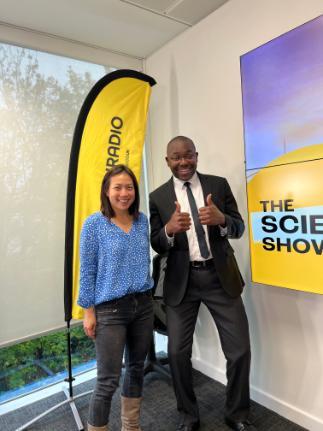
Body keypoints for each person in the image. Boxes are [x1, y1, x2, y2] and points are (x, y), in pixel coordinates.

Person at [149, 136, 256, 431]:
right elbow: (157, 242)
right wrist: (169, 231)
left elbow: (238, 227)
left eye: (188, 156)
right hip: (181, 282)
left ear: (196, 155)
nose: (183, 162)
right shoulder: (157, 196)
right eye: (176, 157)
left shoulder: (218, 185)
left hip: (220, 277)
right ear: (167, 160)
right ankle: (188, 415)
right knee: (177, 354)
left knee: (240, 351)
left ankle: (237, 413)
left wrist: (222, 220)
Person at [78, 164, 154, 431]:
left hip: (144, 305)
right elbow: (87, 271)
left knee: (135, 368)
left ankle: (131, 426)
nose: (124, 193)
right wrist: (89, 311)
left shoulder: (142, 220)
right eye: (118, 187)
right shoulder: (94, 224)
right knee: (107, 380)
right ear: (107, 192)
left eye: (129, 187)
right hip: (110, 310)